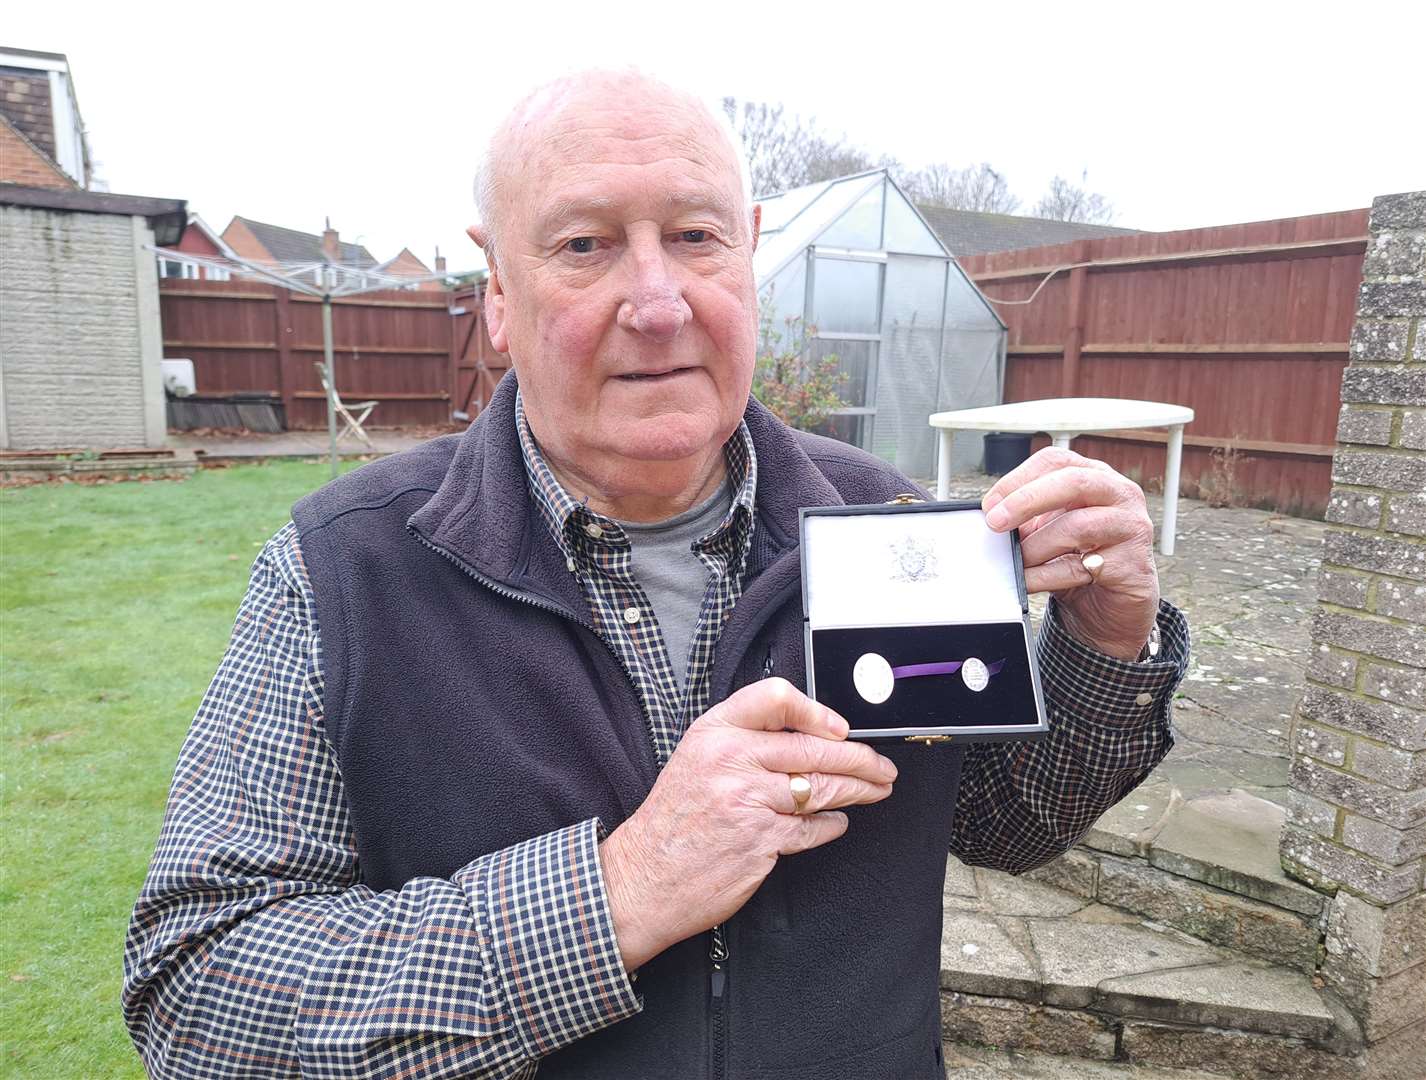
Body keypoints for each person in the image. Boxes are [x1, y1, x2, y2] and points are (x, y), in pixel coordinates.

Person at [123, 70, 1188, 1080]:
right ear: (497, 290)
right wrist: (616, 895)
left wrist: (1104, 639)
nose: (659, 301)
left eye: (694, 237)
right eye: (585, 244)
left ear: (748, 255)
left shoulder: (887, 525)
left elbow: (1011, 822)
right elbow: (196, 992)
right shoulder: (345, 572)